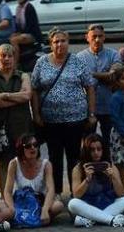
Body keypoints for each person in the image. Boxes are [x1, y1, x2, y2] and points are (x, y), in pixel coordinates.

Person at [31, 29, 96, 192]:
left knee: (74, 157)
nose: (60, 44)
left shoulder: (77, 61)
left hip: (75, 120)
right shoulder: (42, 62)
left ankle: (76, 192)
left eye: (63, 41)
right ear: (50, 44)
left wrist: (91, 114)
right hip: (50, 121)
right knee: (54, 158)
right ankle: (57, 192)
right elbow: (34, 90)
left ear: (68, 42)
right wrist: (36, 114)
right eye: (56, 41)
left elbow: (89, 87)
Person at [0, 44, 32, 190]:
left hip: (21, 126)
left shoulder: (23, 75)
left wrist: (5, 96)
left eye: (9, 56)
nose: (6, 59)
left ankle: (25, 194)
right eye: (2, 56)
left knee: (24, 161)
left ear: (14, 58)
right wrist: (16, 99)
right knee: (1, 163)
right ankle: (5, 197)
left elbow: (27, 95)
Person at [67, 134, 124, 227]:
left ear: (103, 150)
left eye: (99, 149)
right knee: (73, 204)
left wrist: (113, 177)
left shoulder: (110, 166)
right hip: (88, 205)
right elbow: (76, 195)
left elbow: (121, 194)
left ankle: (91, 219)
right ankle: (112, 220)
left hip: (108, 203)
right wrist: (87, 180)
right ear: (87, 151)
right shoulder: (78, 169)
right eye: (92, 150)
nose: (96, 152)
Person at [4, 133, 64, 226]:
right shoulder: (14, 163)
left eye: (35, 145)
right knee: (0, 204)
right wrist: (12, 209)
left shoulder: (46, 164)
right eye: (28, 146)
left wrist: (45, 209)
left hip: (40, 202)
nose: (33, 148)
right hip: (21, 202)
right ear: (21, 149)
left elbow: (51, 190)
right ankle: (34, 219)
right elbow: (7, 191)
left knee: (58, 206)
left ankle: (29, 218)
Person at [78, 24, 121, 144]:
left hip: (109, 105)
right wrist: (104, 75)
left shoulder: (113, 54)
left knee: (110, 141)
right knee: (88, 141)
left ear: (104, 37)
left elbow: (113, 75)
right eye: (94, 36)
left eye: (100, 36)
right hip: (87, 108)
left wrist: (91, 74)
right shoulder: (80, 57)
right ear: (87, 37)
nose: (97, 40)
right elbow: (79, 81)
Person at [10, 0, 42, 71]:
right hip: (24, 33)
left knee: (14, 40)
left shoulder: (29, 7)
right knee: (10, 37)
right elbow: (18, 25)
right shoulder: (18, 8)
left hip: (32, 34)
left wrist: (21, 33)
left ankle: (15, 65)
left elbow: (32, 25)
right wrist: (16, 32)